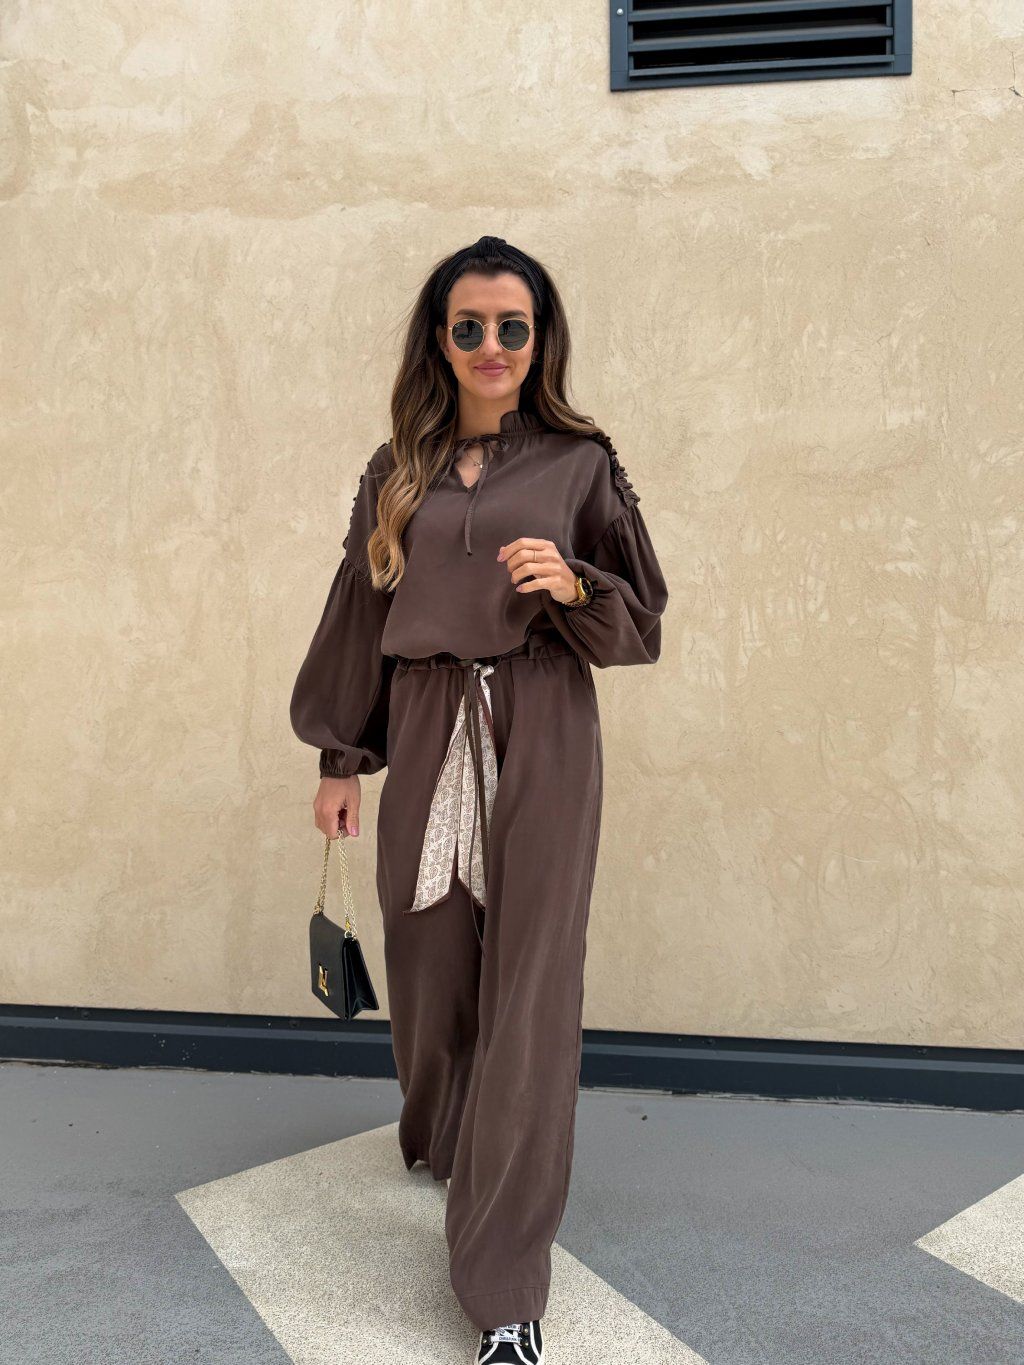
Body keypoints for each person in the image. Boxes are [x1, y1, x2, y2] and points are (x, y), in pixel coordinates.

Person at [290, 235, 669, 1363]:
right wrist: (339, 758)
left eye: (513, 326)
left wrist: (574, 582)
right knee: (429, 962)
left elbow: (640, 623)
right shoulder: (395, 470)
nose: (492, 345)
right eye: (470, 327)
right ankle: (448, 1135)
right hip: (422, 721)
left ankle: (504, 1289)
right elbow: (359, 614)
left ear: (540, 340)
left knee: (530, 988)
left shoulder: (580, 463)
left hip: (542, 721)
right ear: (440, 340)